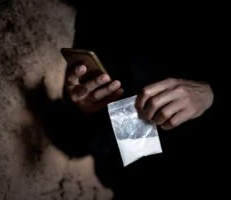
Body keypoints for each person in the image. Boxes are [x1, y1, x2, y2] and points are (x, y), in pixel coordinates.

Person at [44, 1, 227, 199]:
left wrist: (210, 93)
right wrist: (82, 108)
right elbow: (82, 137)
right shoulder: (95, 19)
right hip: (125, 170)